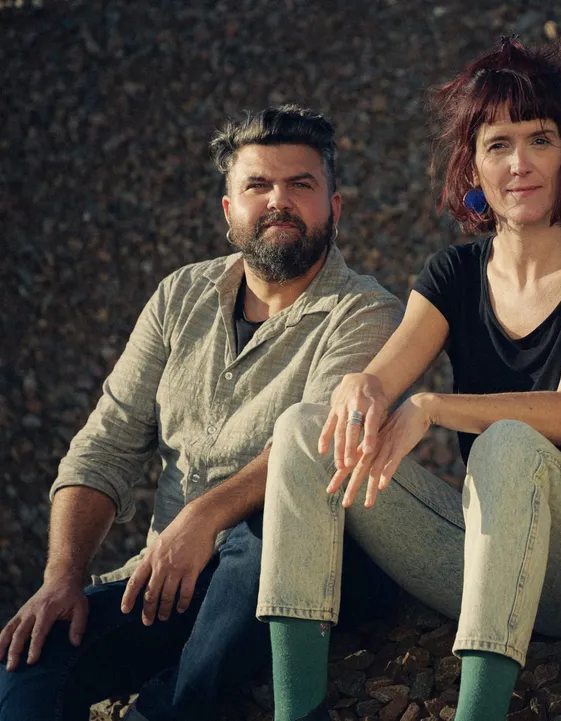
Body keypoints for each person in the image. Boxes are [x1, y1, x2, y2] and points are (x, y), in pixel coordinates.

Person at [257, 37, 561, 721]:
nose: (520, 163)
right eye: (499, 144)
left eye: (540, 139)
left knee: (506, 440)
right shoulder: (454, 273)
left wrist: (434, 406)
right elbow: (385, 374)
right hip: (483, 562)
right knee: (303, 427)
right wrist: (364, 387)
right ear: (472, 164)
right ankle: (297, 710)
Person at [0, 106, 403, 721]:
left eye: (301, 184)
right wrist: (63, 577)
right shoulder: (179, 295)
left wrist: (203, 516)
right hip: (169, 582)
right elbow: (106, 445)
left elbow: (315, 449)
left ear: (335, 207)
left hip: (287, 572)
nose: (279, 201)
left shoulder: (368, 312)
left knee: (270, 524)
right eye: (258, 185)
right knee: (28, 662)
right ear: (228, 210)